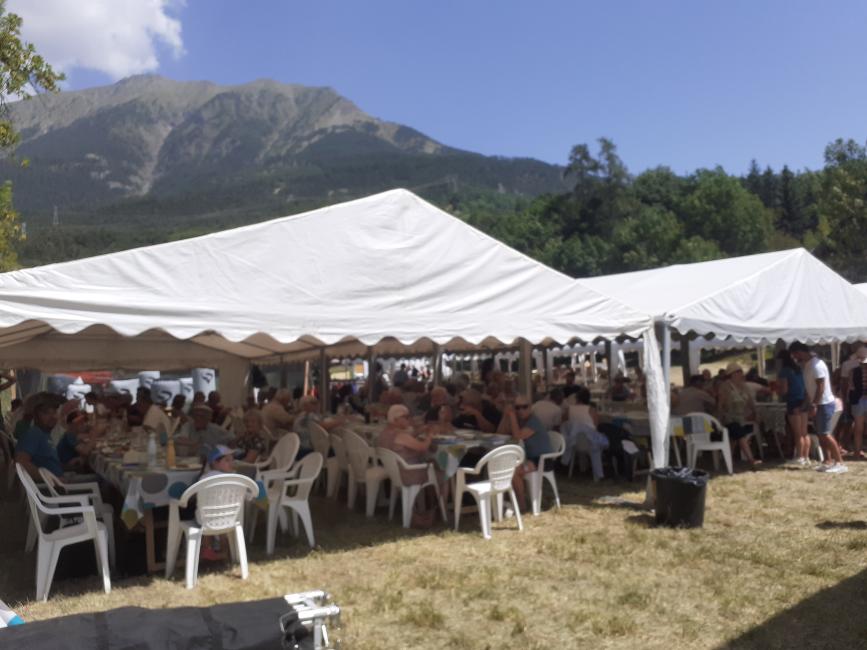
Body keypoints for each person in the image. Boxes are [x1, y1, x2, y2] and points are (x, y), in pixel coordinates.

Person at [377, 404, 440, 526]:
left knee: (434, 464)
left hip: (395, 472)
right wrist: (430, 436)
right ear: (396, 419)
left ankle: (426, 506)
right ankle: (441, 508)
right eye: (405, 417)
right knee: (441, 469)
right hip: (409, 473)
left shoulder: (385, 433)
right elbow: (422, 447)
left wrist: (420, 430)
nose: (409, 419)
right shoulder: (401, 435)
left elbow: (408, 439)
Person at [789, 342, 846, 473]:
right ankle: (828, 461)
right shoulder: (808, 365)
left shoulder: (816, 365)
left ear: (800, 352)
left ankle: (840, 463)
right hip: (819, 403)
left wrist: (814, 404)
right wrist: (805, 405)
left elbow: (820, 387)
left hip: (824, 404)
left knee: (825, 434)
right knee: (821, 435)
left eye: (795, 354)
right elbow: (810, 389)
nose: (794, 357)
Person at [500, 396, 552, 511]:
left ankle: (522, 505)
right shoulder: (520, 421)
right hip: (529, 458)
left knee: (514, 470)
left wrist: (512, 416)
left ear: (531, 407)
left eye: (524, 407)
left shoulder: (533, 421)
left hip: (542, 459)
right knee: (506, 467)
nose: (521, 410)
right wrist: (506, 416)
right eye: (517, 408)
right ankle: (505, 501)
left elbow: (517, 437)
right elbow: (500, 433)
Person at [717, 363, 760, 467]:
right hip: (728, 418)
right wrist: (720, 419)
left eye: (741, 372)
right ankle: (751, 459)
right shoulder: (725, 386)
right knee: (739, 434)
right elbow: (720, 405)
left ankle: (728, 459)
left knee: (734, 436)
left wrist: (755, 413)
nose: (741, 374)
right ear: (732, 374)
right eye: (738, 372)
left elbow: (750, 402)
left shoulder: (743, 386)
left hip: (740, 418)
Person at [776, 349, 811, 465]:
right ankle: (806, 457)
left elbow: (784, 390)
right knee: (804, 432)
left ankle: (799, 457)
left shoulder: (784, 371)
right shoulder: (799, 369)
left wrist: (778, 390)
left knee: (797, 433)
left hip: (793, 401)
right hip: (803, 401)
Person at [14, 399, 64, 478]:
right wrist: (51, 480)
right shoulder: (34, 434)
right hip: (54, 488)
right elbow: (21, 463)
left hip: (62, 480)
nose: (52, 417)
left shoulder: (45, 434)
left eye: (54, 412)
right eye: (46, 413)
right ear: (36, 416)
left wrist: (69, 466)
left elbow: (49, 464)